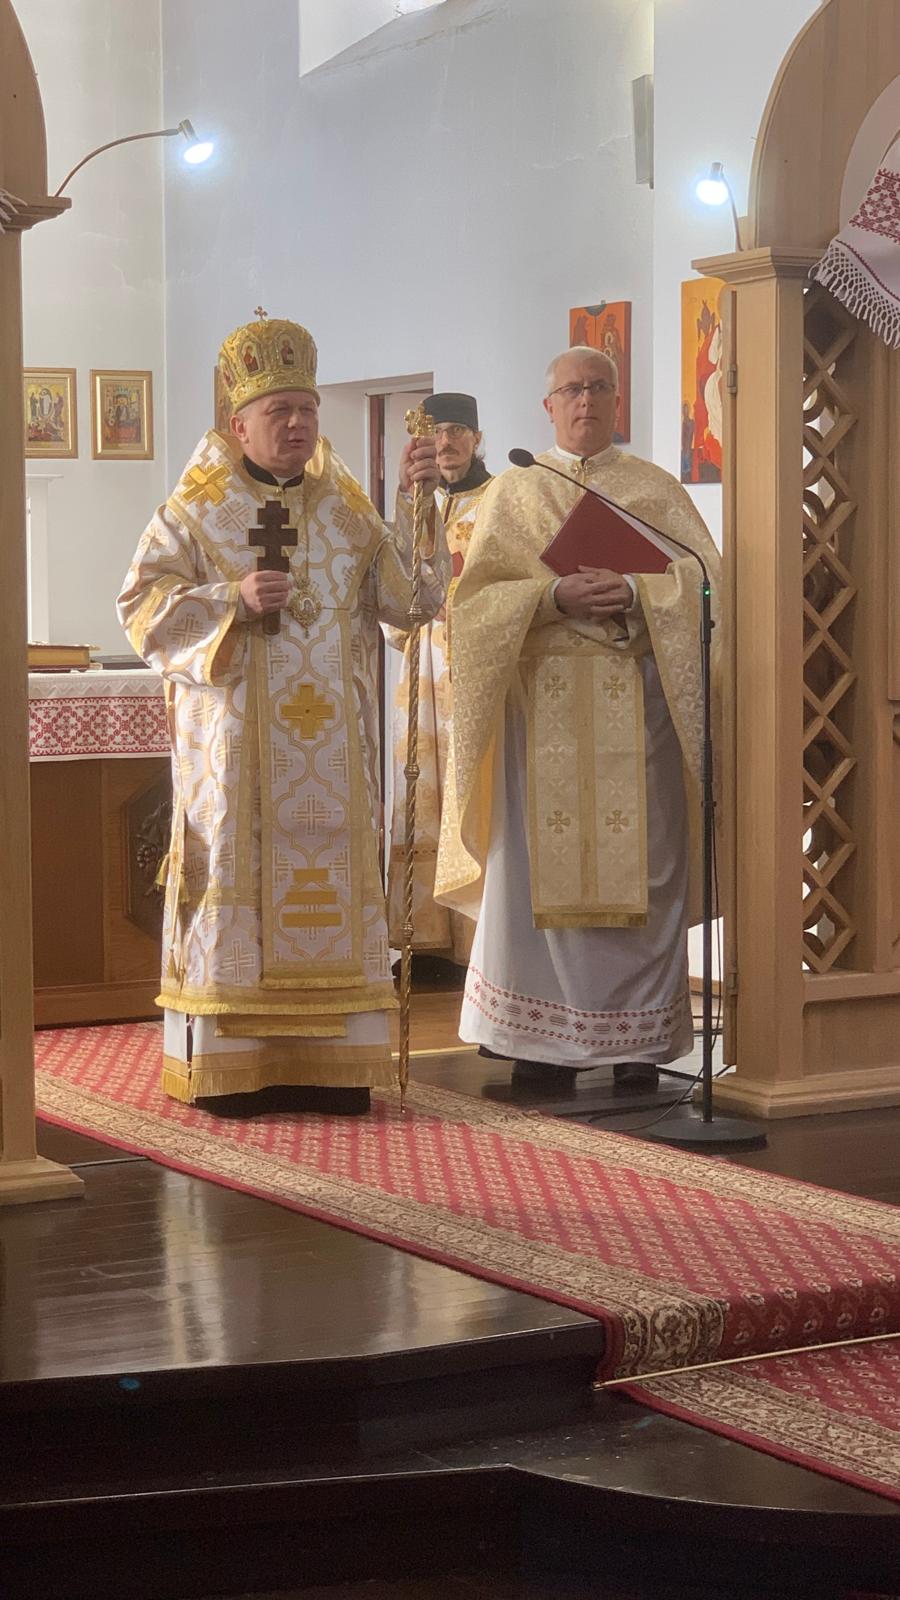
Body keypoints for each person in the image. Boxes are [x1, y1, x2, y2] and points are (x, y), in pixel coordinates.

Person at [117, 311, 448, 1116]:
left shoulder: (347, 511)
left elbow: (414, 603)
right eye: (279, 411)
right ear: (240, 424)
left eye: (307, 409)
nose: (297, 423)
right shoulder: (195, 511)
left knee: (331, 879)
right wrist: (227, 599)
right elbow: (140, 608)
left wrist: (420, 506)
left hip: (333, 763)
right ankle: (240, 1064)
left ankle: (332, 1067)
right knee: (240, 880)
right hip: (236, 762)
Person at [435, 345, 720, 1092]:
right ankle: (539, 1043)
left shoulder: (654, 490)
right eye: (571, 389)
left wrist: (638, 591)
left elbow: (711, 586)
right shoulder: (516, 490)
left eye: (598, 387)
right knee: (534, 870)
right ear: (549, 406)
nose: (585, 400)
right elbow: (472, 608)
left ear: (617, 400)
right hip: (543, 719)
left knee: (647, 868)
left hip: (640, 713)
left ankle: (638, 1045)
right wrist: (551, 597)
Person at [386, 392, 492, 972]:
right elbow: (389, 583)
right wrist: (408, 502)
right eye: (436, 433)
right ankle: (421, 938)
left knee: (472, 794)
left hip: (475, 670)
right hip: (422, 672)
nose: (446, 442)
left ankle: (479, 945)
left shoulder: (500, 499)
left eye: (457, 431)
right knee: (420, 790)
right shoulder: (415, 505)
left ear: (477, 438)